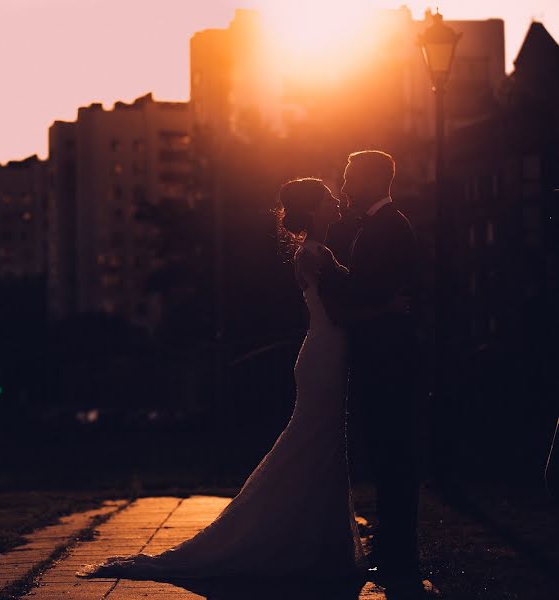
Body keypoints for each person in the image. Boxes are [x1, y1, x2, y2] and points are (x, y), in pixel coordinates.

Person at [77, 177, 390, 581]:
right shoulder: (312, 254)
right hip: (323, 355)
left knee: (325, 447)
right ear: (313, 208)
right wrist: (386, 307)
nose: (336, 202)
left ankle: (320, 542)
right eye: (328, 198)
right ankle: (280, 538)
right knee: (313, 443)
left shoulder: (320, 251)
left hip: (328, 354)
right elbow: (338, 311)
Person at [319, 150, 421, 591]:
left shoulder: (388, 228)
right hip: (385, 363)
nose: (344, 186)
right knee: (387, 459)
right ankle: (394, 550)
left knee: (393, 458)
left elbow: (366, 289)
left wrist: (328, 270)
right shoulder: (381, 227)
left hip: (389, 365)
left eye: (349, 177)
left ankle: (398, 553)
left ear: (372, 179)